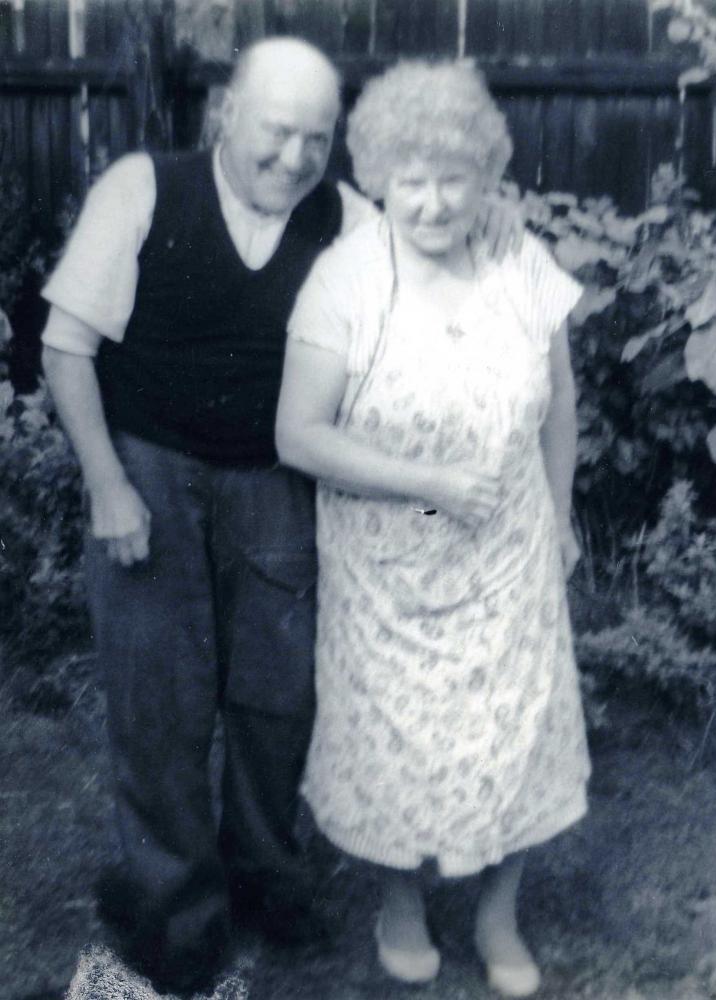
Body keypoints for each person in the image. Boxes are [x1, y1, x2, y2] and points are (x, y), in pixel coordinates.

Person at [40, 38, 522, 997]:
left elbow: (429, 284)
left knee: (278, 701)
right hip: (153, 475)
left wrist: (497, 225)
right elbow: (65, 347)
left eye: (316, 138)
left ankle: (265, 878)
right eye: (276, 133)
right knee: (160, 709)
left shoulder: (345, 219)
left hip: (276, 479)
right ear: (227, 114)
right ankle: (177, 907)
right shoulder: (141, 189)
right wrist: (106, 485)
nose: (295, 158)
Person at [276, 59, 591, 998]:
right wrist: (429, 483)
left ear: (485, 175)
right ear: (378, 178)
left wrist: (562, 511)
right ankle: (400, 904)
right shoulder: (345, 280)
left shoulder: (518, 258)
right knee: (395, 740)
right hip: (391, 552)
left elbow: (561, 400)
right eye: (410, 180)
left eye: (454, 177)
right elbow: (297, 434)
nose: (433, 201)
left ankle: (498, 914)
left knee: (515, 732)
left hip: (509, 545)